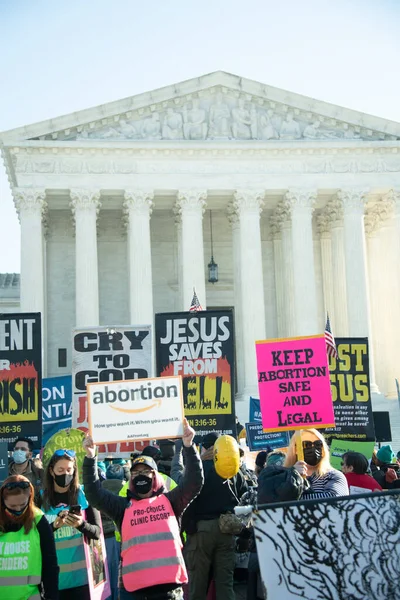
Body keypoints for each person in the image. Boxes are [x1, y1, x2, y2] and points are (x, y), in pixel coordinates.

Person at [82, 418, 203, 600]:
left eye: (145, 472)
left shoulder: (171, 501)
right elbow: (94, 494)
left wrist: (188, 446)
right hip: (134, 592)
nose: (140, 476)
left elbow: (194, 482)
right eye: (136, 473)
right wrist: (91, 458)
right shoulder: (122, 507)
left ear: (154, 476)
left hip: (168, 590)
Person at [184, 432, 248, 600]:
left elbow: (187, 496)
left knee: (198, 584)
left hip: (201, 531)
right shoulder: (234, 471)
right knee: (225, 584)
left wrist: (188, 528)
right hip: (226, 530)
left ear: (206, 447)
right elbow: (245, 497)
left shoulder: (200, 469)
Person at [39, 449, 101, 600]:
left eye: (69, 470)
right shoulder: (40, 498)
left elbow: (97, 532)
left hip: (84, 581)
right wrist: (53, 526)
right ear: (52, 472)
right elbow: (34, 536)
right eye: (60, 470)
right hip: (53, 583)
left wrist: (81, 525)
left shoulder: (84, 495)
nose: (65, 474)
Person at [0, 474, 59, 600]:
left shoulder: (38, 520)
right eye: (12, 507)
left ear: (30, 497)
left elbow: (50, 565)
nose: (18, 510)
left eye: (22, 505)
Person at [284, 429, 349, 498]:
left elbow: (335, 499)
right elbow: (276, 500)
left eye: (318, 444)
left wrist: (297, 499)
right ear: (295, 449)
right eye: (306, 445)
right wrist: (293, 476)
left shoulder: (333, 475)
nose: (313, 448)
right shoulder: (283, 477)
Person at [102, 464, 127, 600]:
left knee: (106, 576)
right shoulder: (126, 488)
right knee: (119, 575)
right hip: (118, 535)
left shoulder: (99, 489)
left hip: (103, 537)